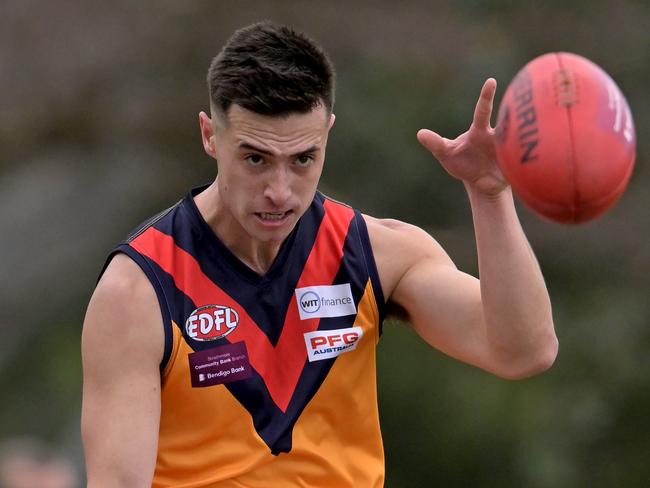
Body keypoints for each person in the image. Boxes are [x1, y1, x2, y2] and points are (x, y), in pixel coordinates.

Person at [81, 21, 558, 488]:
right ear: (210, 136)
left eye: (303, 159)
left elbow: (523, 351)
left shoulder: (376, 252)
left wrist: (490, 195)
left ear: (327, 133)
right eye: (255, 159)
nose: (280, 191)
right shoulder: (138, 291)